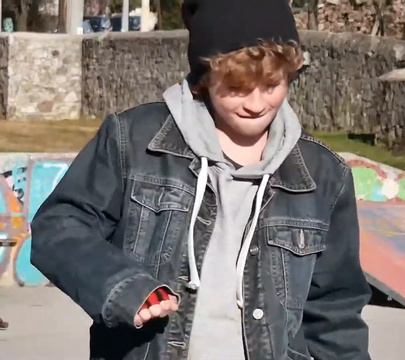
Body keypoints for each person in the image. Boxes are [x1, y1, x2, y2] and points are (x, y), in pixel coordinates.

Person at [30, 0, 371, 359]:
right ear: (205, 76)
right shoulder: (133, 141)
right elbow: (59, 228)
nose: (256, 104)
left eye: (271, 84)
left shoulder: (324, 175)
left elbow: (335, 312)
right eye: (238, 87)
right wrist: (123, 286)